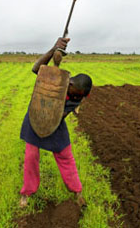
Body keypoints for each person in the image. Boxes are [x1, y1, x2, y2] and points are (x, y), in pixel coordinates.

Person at [19, 37, 92, 208]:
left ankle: (77, 192)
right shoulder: (59, 80)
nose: (74, 94)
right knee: (30, 157)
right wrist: (54, 49)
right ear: (70, 82)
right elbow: (36, 68)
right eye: (73, 90)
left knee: (66, 156)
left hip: (54, 123)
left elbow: (56, 115)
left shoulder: (77, 98)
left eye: (78, 94)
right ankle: (27, 193)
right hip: (35, 117)